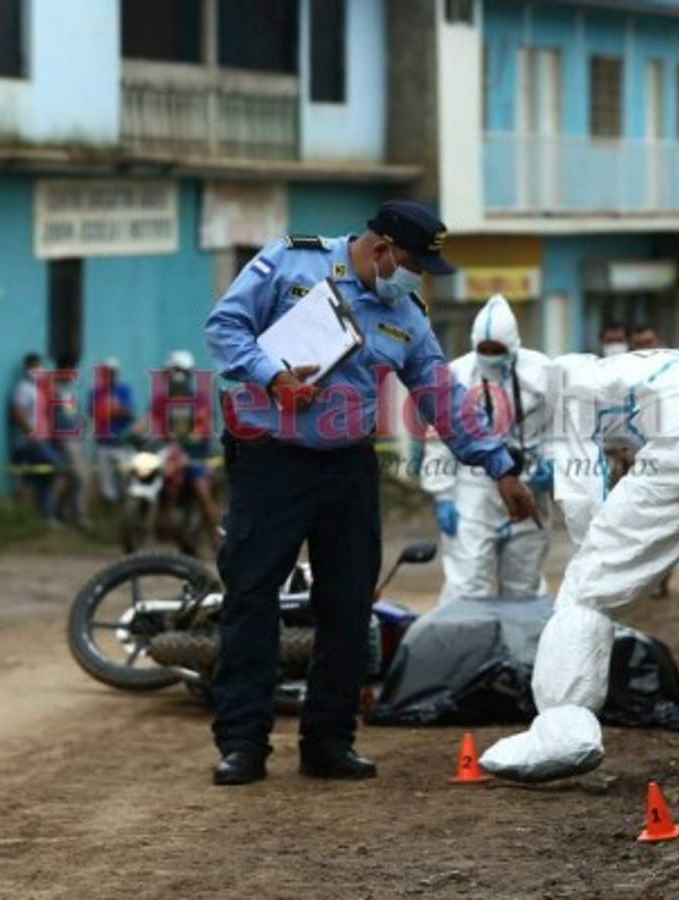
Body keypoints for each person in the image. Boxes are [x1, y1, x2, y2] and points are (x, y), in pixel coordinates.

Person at [204, 200, 538, 786]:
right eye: (412, 263)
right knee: (252, 599)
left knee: (349, 606)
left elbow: (441, 395)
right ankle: (242, 743)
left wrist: (500, 465)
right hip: (269, 460)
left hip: (347, 468)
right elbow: (224, 328)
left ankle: (328, 741)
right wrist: (270, 376)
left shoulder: (405, 314)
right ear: (381, 250)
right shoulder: (288, 263)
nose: (416, 278)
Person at [480, 349, 679, 782]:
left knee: (587, 589)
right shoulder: (633, 369)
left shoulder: (567, 392)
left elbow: (582, 495)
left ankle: (563, 731)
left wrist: (605, 553)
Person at [421, 295, 553, 602]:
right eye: (485, 350)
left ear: (514, 345)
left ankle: (522, 648)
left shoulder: (542, 373)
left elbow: (561, 428)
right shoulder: (457, 375)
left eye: (499, 350)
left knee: (525, 583)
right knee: (468, 582)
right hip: (474, 486)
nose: (491, 356)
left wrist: (554, 466)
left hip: (529, 483)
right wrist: (443, 495)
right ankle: (465, 647)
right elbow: (439, 439)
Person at [151, 349, 220, 552]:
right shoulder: (160, 400)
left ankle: (218, 540)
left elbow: (202, 422)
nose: (173, 376)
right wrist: (132, 433)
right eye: (170, 372)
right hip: (169, 455)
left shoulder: (199, 400)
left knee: (201, 491)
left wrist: (194, 434)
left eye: (177, 371)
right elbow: (147, 420)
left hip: (195, 456)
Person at [10, 352, 64, 526]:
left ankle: (47, 516)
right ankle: (44, 510)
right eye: (35, 367)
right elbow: (18, 413)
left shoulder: (41, 389)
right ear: (28, 368)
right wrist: (32, 433)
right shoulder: (23, 388)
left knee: (44, 479)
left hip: (44, 440)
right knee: (57, 466)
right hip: (30, 442)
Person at [51, 351, 91, 530]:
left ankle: (62, 511)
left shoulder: (74, 388)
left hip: (78, 438)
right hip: (64, 438)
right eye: (67, 369)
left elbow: (78, 412)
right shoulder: (54, 388)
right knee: (79, 476)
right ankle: (78, 516)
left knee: (69, 477)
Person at [90, 358, 135, 505]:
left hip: (121, 442)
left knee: (126, 480)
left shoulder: (124, 390)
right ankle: (109, 512)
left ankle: (127, 513)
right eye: (106, 372)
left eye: (112, 372)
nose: (109, 375)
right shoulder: (96, 392)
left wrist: (111, 410)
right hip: (103, 443)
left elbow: (129, 413)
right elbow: (93, 412)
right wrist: (112, 410)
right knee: (106, 486)